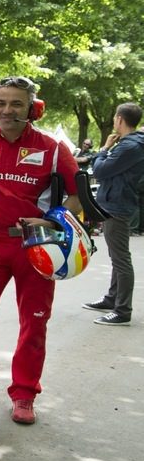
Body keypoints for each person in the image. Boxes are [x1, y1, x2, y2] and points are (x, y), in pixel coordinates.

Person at [0, 76, 81, 425]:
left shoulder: (53, 148)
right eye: (2, 103)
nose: (8, 110)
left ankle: (24, 394)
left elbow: (76, 195)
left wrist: (54, 223)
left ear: (32, 108)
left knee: (34, 322)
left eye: (16, 104)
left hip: (36, 246)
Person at [83, 103, 144, 326]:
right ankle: (112, 299)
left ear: (119, 119)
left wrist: (104, 148)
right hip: (116, 202)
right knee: (117, 257)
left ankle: (122, 310)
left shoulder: (129, 146)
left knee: (120, 259)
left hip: (117, 205)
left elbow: (99, 170)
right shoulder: (132, 144)